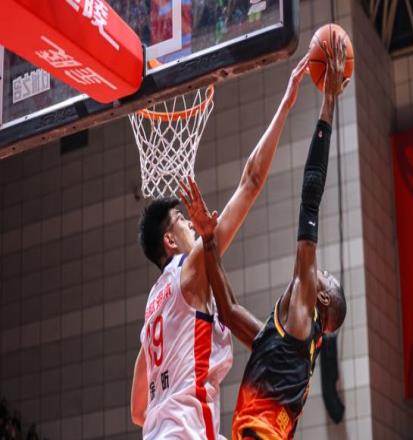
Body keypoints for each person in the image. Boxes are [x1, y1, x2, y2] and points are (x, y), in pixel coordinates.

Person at [130, 54, 310, 439]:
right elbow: (251, 181)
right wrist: (286, 102)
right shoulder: (190, 268)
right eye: (182, 222)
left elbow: (137, 410)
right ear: (169, 241)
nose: (191, 227)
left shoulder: (152, 308)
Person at [180, 32, 348, 440]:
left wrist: (328, 102)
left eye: (327, 278)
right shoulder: (283, 340)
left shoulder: (304, 312)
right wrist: (208, 238)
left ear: (322, 299)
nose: (320, 271)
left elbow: (311, 195)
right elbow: (229, 310)